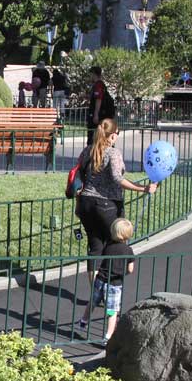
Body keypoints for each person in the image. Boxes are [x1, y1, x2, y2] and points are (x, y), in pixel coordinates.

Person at [74, 118, 157, 291]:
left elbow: (78, 175)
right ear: (111, 136)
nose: (117, 137)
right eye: (117, 134)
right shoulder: (113, 153)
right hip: (106, 205)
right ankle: (112, 289)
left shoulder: (87, 151)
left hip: (85, 205)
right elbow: (117, 178)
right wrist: (143, 188)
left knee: (95, 248)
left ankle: (95, 292)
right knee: (116, 246)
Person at [78, 217, 135, 344]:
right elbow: (130, 269)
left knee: (93, 301)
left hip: (100, 280)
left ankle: (83, 321)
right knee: (112, 310)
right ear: (128, 235)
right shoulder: (128, 250)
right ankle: (108, 336)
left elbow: (102, 260)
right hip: (114, 284)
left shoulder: (107, 246)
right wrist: (123, 272)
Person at [86, 66, 114, 145]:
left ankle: (92, 154)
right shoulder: (100, 85)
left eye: (90, 74)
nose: (90, 77)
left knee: (92, 136)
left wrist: (96, 114)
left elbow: (99, 99)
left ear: (94, 74)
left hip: (99, 115)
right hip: (102, 114)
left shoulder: (98, 85)